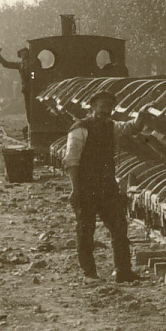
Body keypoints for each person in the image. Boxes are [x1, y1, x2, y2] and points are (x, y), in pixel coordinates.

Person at [65, 97, 135, 283]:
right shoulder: (80, 129)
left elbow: (129, 127)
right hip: (86, 188)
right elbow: (72, 161)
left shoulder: (111, 126)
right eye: (103, 106)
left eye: (109, 107)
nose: (106, 110)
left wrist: (142, 115)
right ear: (93, 107)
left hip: (106, 187)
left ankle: (122, 271)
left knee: (119, 227)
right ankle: (89, 273)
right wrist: (75, 189)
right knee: (86, 231)